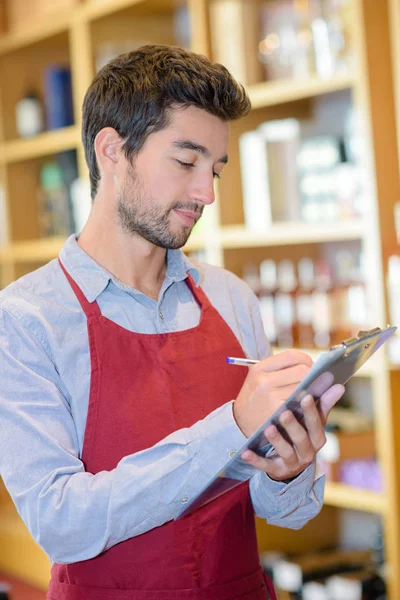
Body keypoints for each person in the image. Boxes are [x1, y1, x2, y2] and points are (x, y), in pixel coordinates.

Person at [0, 45, 344, 600]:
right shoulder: (25, 320)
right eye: (186, 163)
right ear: (112, 150)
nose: (206, 193)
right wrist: (231, 426)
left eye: (215, 169)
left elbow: (283, 513)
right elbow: (61, 522)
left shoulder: (231, 298)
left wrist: (289, 469)